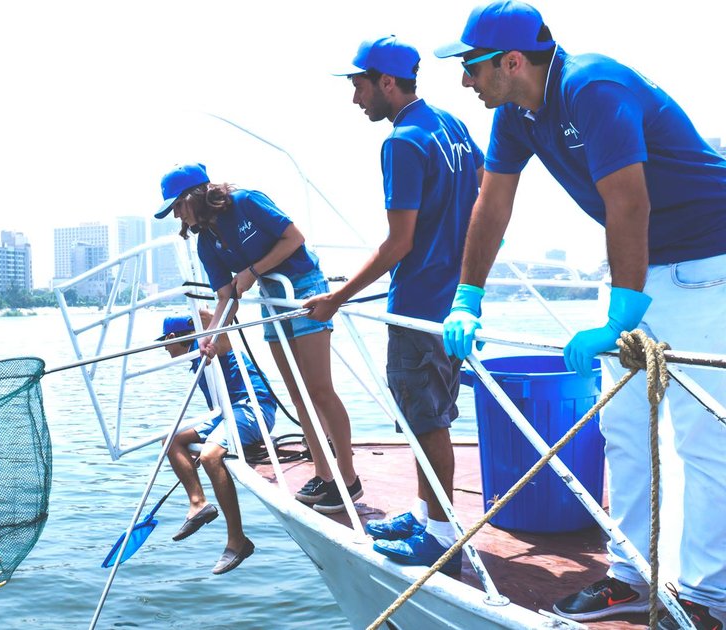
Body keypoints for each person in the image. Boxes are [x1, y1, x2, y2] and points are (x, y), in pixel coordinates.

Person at [435, 2, 726, 626]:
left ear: (511, 61)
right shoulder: (517, 114)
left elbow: (629, 202)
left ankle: (708, 598)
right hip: (638, 265)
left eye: (471, 66)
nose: (465, 81)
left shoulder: (591, 85)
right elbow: (493, 202)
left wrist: (620, 316)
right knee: (621, 429)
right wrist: (468, 295)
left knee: (703, 438)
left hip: (707, 262)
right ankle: (629, 576)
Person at [304, 35, 482, 575]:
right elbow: (478, 204)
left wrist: (336, 297)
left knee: (426, 422)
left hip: (418, 304)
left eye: (359, 85)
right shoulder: (452, 127)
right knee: (432, 415)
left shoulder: (403, 141)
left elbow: (397, 243)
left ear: (386, 82)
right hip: (454, 302)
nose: (355, 98)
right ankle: (427, 514)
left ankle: (442, 537)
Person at [155, 163, 362, 515]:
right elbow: (226, 296)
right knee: (297, 393)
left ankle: (348, 477)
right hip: (271, 301)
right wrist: (211, 337)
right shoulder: (207, 242)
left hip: (304, 290)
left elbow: (294, 238)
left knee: (319, 389)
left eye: (177, 205)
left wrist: (252, 271)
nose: (177, 215)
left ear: (194, 196)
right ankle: (325, 476)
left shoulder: (247, 202)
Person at [159, 312, 277, 575]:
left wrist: (196, 312)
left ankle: (238, 540)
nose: (165, 349)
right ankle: (198, 503)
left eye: (165, 343)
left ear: (172, 338)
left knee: (212, 456)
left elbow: (215, 320)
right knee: (171, 441)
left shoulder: (212, 345)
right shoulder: (197, 357)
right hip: (226, 413)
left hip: (252, 409)